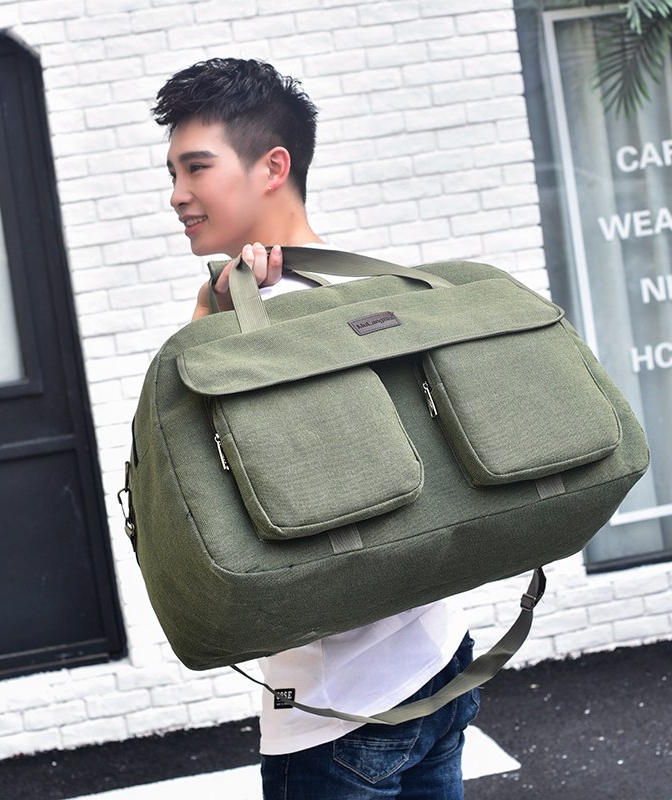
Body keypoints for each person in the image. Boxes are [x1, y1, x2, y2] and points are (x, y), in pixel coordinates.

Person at [152, 57, 477, 799]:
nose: (176, 195)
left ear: (273, 167)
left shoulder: (246, 331)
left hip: (339, 708)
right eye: (172, 173)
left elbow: (192, 496)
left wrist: (203, 325)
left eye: (196, 167)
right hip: (439, 658)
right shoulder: (361, 290)